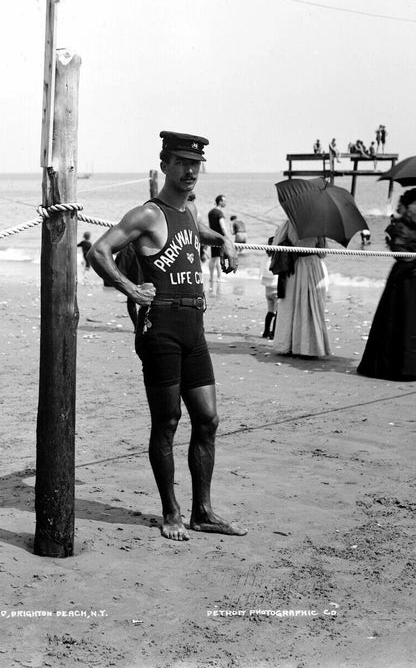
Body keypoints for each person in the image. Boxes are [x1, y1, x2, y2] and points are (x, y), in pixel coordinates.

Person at [87, 130, 244, 541]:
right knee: (168, 421)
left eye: (196, 164)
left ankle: (203, 511)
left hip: (194, 328)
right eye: (182, 162)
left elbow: (194, 234)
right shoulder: (147, 214)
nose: (191, 170)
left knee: (208, 419)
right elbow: (97, 252)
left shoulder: (188, 212)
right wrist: (132, 289)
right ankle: (172, 512)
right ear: (165, 165)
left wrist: (224, 240)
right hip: (161, 331)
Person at [357, 188, 416, 380]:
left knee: (415, 322)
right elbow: (398, 250)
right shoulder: (399, 226)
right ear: (409, 207)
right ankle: (399, 367)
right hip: (404, 279)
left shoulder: (415, 227)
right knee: (401, 319)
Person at [271, 219, 330, 357]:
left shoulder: (288, 223)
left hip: (294, 266)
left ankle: (287, 345)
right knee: (310, 305)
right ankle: (308, 347)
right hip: (312, 266)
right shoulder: (319, 226)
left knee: (290, 305)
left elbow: (275, 245)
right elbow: (323, 253)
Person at [207, 194, 229, 283]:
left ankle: (211, 278)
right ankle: (219, 277)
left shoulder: (211, 212)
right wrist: (227, 237)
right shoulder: (220, 213)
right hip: (219, 238)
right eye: (224, 201)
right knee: (218, 258)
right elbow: (223, 227)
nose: (226, 203)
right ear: (220, 201)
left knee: (214, 258)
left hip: (212, 237)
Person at [260, 237, 277, 339]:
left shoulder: (267, 258)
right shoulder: (276, 260)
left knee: (270, 312)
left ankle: (266, 331)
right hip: (276, 289)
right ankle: (273, 333)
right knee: (278, 313)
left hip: (267, 290)